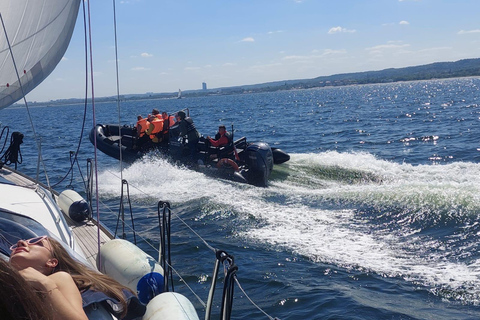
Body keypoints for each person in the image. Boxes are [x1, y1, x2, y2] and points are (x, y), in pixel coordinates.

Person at [9, 235, 144, 320]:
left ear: (52, 262)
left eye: (38, 243)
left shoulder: (58, 279)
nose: (21, 242)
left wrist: (44, 283)